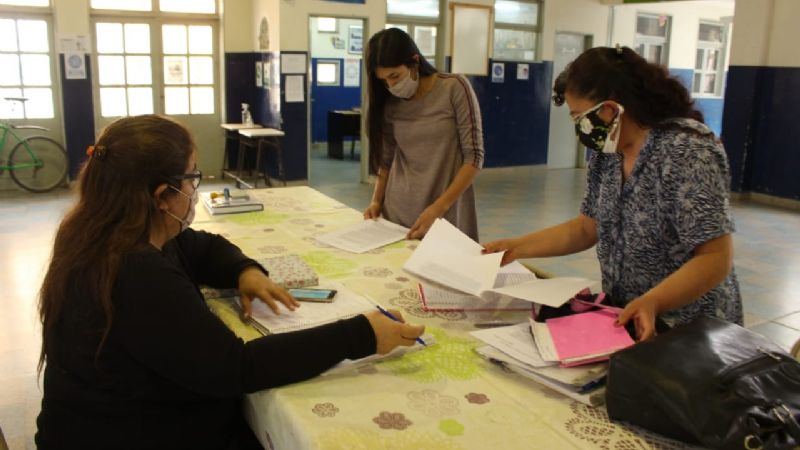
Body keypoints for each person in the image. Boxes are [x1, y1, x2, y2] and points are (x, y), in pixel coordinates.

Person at [35, 115, 425, 450]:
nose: (196, 189)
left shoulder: (110, 229)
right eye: (192, 178)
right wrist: (362, 334)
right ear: (162, 196)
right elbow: (236, 369)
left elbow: (202, 248)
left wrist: (245, 272)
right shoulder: (135, 271)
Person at [483, 46, 743, 341]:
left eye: (579, 116)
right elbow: (587, 227)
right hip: (631, 318)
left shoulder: (686, 150)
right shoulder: (607, 153)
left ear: (609, 109)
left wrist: (654, 301)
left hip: (694, 330)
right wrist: (516, 247)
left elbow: (714, 257)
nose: (579, 127)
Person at [363, 28, 484, 240]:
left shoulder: (454, 88)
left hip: (446, 213)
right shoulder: (390, 104)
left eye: (395, 76)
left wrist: (438, 208)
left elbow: (474, 157)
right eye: (384, 80)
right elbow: (386, 161)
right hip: (397, 212)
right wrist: (376, 201)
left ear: (414, 62)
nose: (391, 86)